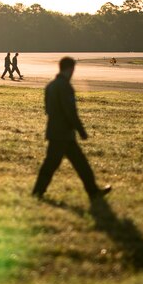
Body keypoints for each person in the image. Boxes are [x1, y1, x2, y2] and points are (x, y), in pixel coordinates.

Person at [31, 57, 111, 202]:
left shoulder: (51, 86)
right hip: (64, 134)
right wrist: (81, 130)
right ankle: (38, 192)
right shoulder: (65, 87)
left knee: (73, 164)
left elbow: (48, 110)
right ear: (70, 69)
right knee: (70, 165)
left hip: (54, 131)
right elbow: (71, 112)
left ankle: (38, 192)